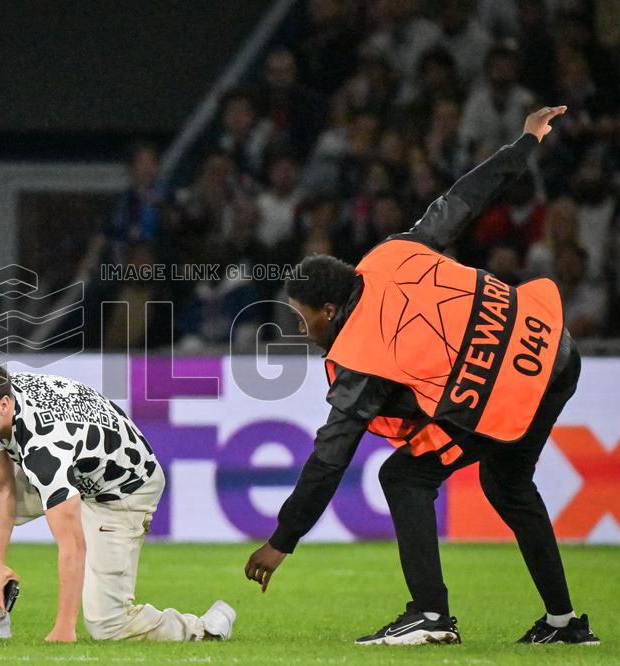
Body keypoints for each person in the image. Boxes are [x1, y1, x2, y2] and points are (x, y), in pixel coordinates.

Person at [244, 106, 601, 646]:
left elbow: (328, 459)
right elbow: (464, 198)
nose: (300, 329)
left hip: (513, 379)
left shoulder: (362, 353)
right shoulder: (394, 252)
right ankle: (563, 624)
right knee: (507, 483)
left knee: (404, 477)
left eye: (302, 317)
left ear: (329, 311)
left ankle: (430, 617)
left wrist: (282, 540)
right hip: (552, 346)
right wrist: (525, 142)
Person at [0, 355, 235, 642]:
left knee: (109, 626)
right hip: (78, 464)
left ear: (4, 405)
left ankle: (203, 627)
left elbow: (72, 544)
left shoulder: (45, 446)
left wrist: (64, 627)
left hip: (123, 489)